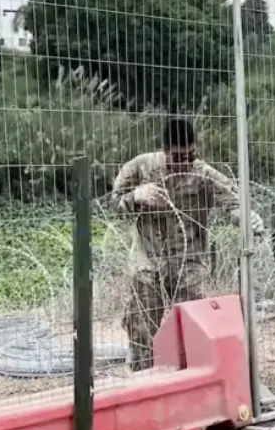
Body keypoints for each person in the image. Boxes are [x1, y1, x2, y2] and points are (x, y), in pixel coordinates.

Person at [112, 118, 265, 370]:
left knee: (195, 327)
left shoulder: (203, 174)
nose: (184, 163)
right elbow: (110, 205)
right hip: (148, 261)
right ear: (164, 151)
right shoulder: (141, 167)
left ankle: (191, 379)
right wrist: (136, 196)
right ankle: (144, 380)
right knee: (142, 329)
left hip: (189, 261)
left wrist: (248, 219)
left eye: (189, 156)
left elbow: (232, 205)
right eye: (177, 157)